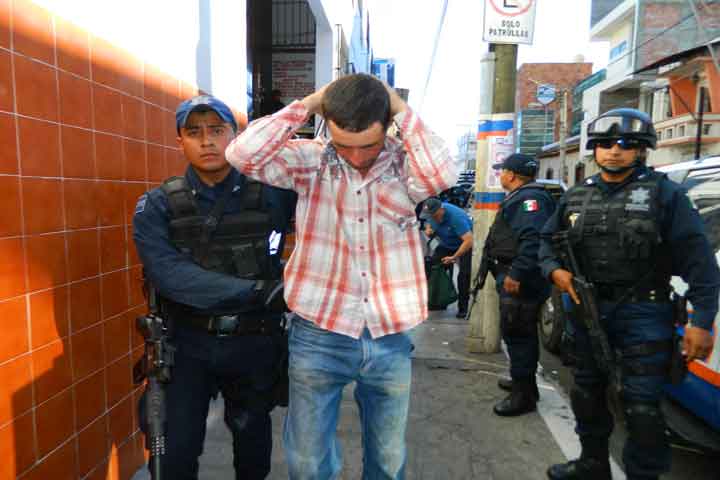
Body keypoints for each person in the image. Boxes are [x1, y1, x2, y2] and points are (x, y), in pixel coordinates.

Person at [226, 73, 456, 479]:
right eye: (343, 145)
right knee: (307, 462)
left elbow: (441, 175)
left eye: (368, 145)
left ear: (387, 127)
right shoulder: (312, 161)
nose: (355, 156)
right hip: (319, 332)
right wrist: (311, 103)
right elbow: (242, 154)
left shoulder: (405, 165)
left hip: (389, 334)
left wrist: (398, 106)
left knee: (387, 460)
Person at [539, 108, 720, 480]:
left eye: (626, 144)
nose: (614, 151)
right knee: (587, 393)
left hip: (644, 313)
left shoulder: (665, 194)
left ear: (642, 149)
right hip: (586, 308)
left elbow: (699, 262)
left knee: (641, 408)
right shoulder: (577, 195)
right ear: (594, 149)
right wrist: (554, 270)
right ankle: (592, 464)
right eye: (605, 143)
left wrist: (702, 321)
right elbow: (546, 241)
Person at [133, 95, 294, 479]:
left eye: (217, 130)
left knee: (253, 454)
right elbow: (170, 275)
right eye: (194, 132)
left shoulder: (274, 193)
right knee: (174, 455)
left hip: (255, 342)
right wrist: (260, 291)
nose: (206, 141)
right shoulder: (157, 205)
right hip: (187, 344)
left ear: (235, 136)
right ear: (180, 141)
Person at [484, 153, 555, 416]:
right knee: (517, 333)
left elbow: (533, 240)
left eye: (502, 171)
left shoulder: (529, 199)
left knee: (518, 334)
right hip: (516, 276)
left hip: (520, 280)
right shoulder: (523, 196)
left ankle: (523, 396)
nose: (500, 175)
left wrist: (517, 273)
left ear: (511, 174)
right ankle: (523, 384)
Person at [420, 197, 473, 318]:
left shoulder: (456, 218)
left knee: (464, 275)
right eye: (429, 215)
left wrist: (454, 257)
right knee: (431, 267)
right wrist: (429, 229)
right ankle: (437, 301)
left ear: (441, 210)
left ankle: (463, 308)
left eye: (434, 215)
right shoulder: (431, 214)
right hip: (446, 243)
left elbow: (469, 240)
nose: (432, 217)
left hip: (464, 244)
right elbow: (428, 222)